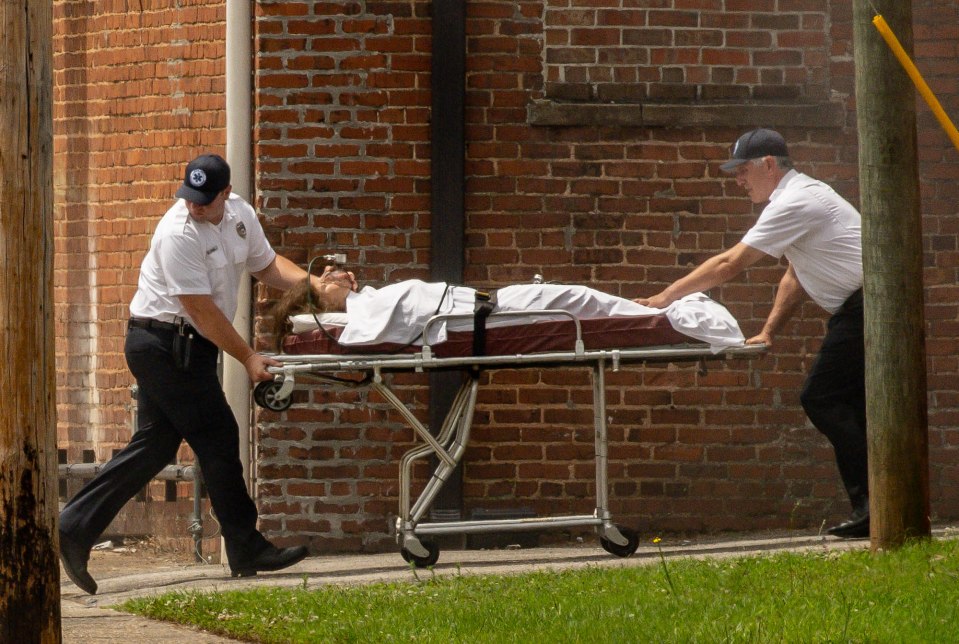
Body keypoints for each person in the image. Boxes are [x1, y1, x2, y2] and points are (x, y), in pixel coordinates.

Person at [58, 154, 339, 594]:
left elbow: (265, 265)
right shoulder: (177, 233)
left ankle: (74, 526)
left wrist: (315, 286)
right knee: (219, 436)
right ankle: (246, 545)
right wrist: (247, 358)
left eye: (205, 200)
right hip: (163, 344)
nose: (195, 206)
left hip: (186, 346)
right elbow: (200, 310)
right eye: (190, 197)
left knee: (155, 446)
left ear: (226, 194)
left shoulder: (240, 215)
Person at [635, 128, 868, 539]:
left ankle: (876, 505)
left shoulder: (796, 200)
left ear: (768, 165)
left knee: (822, 397)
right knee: (851, 404)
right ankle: (878, 506)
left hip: (866, 307)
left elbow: (729, 264)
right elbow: (795, 276)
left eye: (742, 171)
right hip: (861, 308)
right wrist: (768, 331)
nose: (738, 181)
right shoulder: (800, 197)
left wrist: (663, 298)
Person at [269, 272, 746, 351]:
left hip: (486, 305)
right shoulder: (356, 315)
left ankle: (666, 316)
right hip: (486, 316)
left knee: (577, 299)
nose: (337, 277)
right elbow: (359, 334)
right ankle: (676, 320)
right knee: (576, 302)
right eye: (325, 282)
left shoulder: (365, 300)